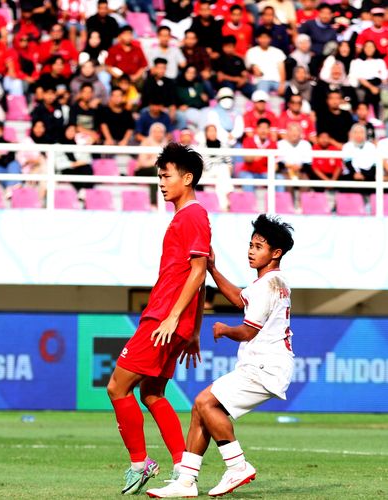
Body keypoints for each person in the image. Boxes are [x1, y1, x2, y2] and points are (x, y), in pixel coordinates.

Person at [146, 214, 295, 499]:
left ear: (276, 253)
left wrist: (226, 329)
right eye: (251, 244)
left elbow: (249, 331)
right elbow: (241, 299)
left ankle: (237, 465)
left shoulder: (268, 285)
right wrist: (213, 269)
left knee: (204, 401)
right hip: (265, 364)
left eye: (259, 246)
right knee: (201, 410)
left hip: (266, 365)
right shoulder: (271, 282)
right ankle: (186, 481)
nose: (251, 250)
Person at [107, 143, 209, 496]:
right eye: (159, 176)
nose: (161, 183)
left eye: (166, 176)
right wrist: (193, 330)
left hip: (163, 319)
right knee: (152, 392)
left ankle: (140, 463)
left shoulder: (193, 215)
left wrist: (174, 318)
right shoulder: (184, 217)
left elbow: (198, 273)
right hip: (174, 320)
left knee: (117, 387)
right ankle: (184, 470)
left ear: (187, 177)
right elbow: (202, 277)